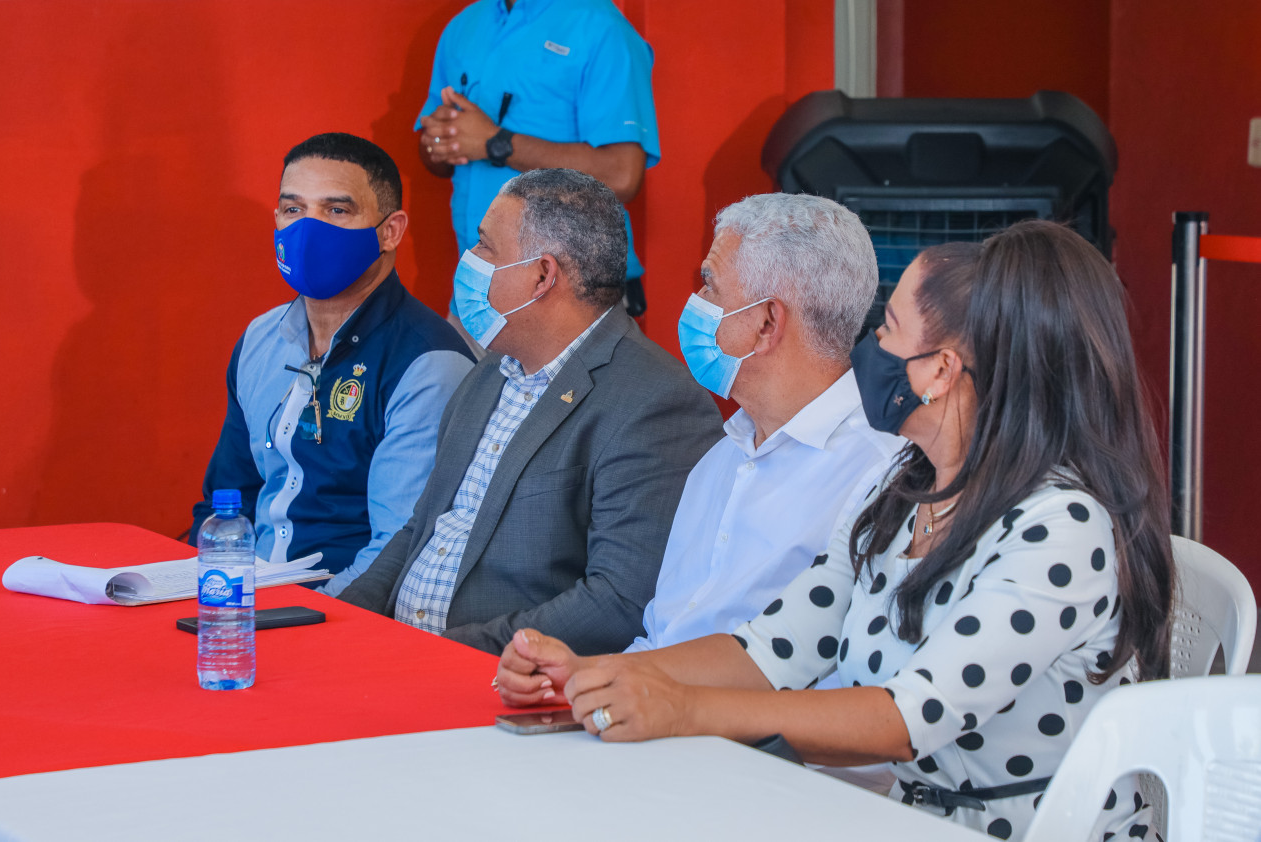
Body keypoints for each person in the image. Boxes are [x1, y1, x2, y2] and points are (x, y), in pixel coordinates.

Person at [498, 220, 1175, 841]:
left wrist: (682, 710)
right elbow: (772, 648)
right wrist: (598, 676)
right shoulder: (903, 487)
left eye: (889, 329)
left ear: (940, 371)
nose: (868, 346)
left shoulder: (1059, 527)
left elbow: (907, 719)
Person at [340, 168, 722, 655]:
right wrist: (346, 626)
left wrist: (443, 655)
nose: (469, 260)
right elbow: (421, 529)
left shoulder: (655, 402)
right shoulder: (489, 371)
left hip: (498, 676)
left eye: (485, 246)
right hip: (405, 658)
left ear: (542, 275)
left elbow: (619, 602)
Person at [192, 133, 475, 596]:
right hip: (246, 603)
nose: (308, 229)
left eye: (337, 210)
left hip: (345, 611)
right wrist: (211, 595)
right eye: (293, 209)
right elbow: (226, 504)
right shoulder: (260, 339)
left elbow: (398, 550)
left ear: (390, 231)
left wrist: (303, 618)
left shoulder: (428, 363)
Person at [627, 193, 902, 655]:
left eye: (710, 286)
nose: (696, 302)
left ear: (767, 322)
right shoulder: (722, 457)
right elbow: (660, 635)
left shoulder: (880, 476)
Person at [418, 0, 658, 326]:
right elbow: (433, 153)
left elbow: (622, 175)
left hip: (569, 301)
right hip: (473, 296)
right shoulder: (464, 25)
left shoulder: (603, 28)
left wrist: (496, 143)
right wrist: (440, 141)